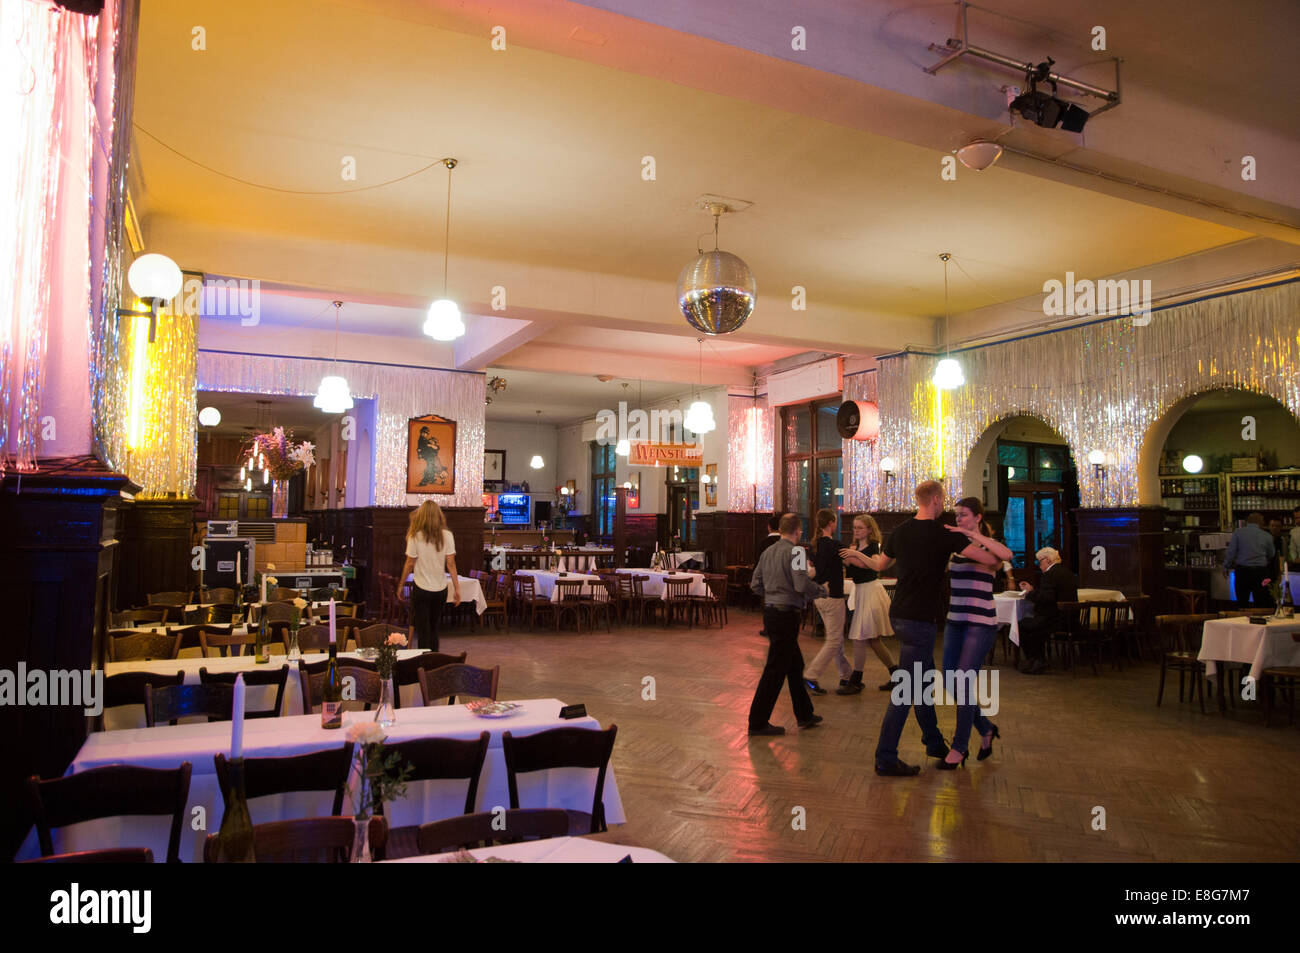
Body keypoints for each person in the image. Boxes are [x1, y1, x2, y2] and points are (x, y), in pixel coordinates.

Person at [863, 480, 1002, 776]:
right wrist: (974, 538)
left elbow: (881, 565)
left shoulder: (899, 531)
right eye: (944, 502)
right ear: (937, 500)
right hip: (921, 622)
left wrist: (856, 555)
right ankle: (885, 757)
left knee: (923, 684)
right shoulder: (943, 534)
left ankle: (934, 742)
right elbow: (992, 559)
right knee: (906, 691)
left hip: (899, 616)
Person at [938, 498, 1013, 768]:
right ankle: (985, 728)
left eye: (964, 515)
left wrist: (973, 535)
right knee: (949, 680)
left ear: (978, 517)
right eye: (956, 515)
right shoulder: (956, 550)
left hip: (980, 623)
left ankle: (958, 748)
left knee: (963, 683)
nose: (959, 519)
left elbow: (1006, 557)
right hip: (955, 620)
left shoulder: (987, 547)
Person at [748, 513, 825, 736]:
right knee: (775, 670)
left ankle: (805, 714)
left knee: (794, 665)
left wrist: (773, 595)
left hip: (771, 614)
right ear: (798, 530)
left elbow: (755, 585)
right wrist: (822, 590)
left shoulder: (767, 552)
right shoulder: (798, 552)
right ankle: (757, 721)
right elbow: (801, 584)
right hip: (786, 616)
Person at [838, 514, 897, 693]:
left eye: (860, 528)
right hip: (862, 592)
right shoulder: (854, 546)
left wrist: (855, 554)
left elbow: (876, 565)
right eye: (855, 527)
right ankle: (897, 675)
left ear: (869, 530)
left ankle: (856, 680)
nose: (856, 531)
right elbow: (850, 563)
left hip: (871, 592)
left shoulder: (873, 546)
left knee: (860, 637)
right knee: (873, 640)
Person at [399, 500, 461, 650]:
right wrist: (457, 589)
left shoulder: (415, 535)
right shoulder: (447, 535)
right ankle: (434, 662)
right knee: (434, 628)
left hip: (421, 588)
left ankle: (423, 664)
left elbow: (409, 563)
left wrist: (400, 585)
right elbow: (451, 564)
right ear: (439, 516)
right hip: (440, 588)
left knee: (423, 630)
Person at [803, 509, 850, 695]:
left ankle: (846, 675)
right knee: (833, 640)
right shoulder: (835, 546)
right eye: (835, 521)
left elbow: (812, 571)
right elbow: (850, 563)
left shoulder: (813, 547)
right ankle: (811, 675)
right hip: (833, 597)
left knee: (835, 638)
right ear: (831, 523)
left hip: (819, 597)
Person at [1016, 547, 1078, 674]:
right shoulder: (1068, 573)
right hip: (1071, 618)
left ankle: (1036, 660)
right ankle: (1038, 659)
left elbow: (1047, 598)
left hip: (1055, 619)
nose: (1039, 566)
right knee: (1032, 624)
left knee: (1022, 625)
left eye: (1040, 562)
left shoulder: (1049, 575)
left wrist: (1030, 593)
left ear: (1048, 560)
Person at [1225, 513, 1276, 607]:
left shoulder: (1238, 533)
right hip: (1261, 572)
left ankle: (1243, 619)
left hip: (1242, 572)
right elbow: (1271, 554)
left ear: (1247, 522)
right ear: (1261, 523)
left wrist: (1226, 566)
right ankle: (1259, 620)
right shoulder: (1267, 536)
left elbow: (1231, 552)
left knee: (1242, 602)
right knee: (1261, 602)